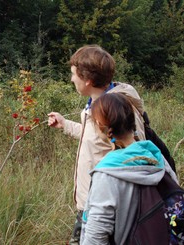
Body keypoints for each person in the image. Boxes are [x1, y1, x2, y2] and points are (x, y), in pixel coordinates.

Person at [47, 45, 146, 244]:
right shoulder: (96, 104)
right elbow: (95, 137)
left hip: (105, 205)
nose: (72, 79)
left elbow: (138, 153)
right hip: (90, 201)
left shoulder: (116, 108)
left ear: (88, 81)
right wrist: (65, 125)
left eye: (74, 74)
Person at [80, 93, 177, 244]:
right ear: (131, 121)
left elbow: (95, 236)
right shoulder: (156, 157)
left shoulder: (107, 174)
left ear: (100, 125)